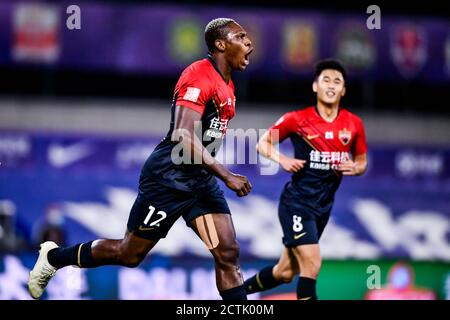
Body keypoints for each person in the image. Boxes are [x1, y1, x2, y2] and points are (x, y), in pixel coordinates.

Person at [28, 17, 254, 300]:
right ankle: (55, 258)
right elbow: (183, 135)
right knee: (129, 254)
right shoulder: (199, 75)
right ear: (220, 44)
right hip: (169, 178)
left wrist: (214, 174)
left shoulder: (228, 86)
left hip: (199, 180)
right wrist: (226, 174)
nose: (249, 43)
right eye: (241, 36)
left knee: (228, 253)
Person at [244, 59, 368, 300]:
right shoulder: (297, 119)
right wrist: (283, 160)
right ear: (315, 86)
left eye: (337, 81)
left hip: (323, 207)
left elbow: (362, 161)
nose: (331, 85)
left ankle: (234, 295)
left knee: (285, 272)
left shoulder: (354, 125)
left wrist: (357, 167)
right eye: (326, 80)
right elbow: (262, 144)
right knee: (312, 264)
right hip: (297, 204)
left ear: (343, 90)